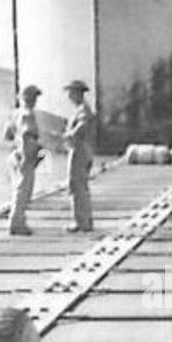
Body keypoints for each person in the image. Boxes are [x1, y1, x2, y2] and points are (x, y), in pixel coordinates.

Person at [2, 84, 43, 235]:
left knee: (16, 189)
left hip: (14, 156)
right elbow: (27, 135)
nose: (35, 100)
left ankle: (18, 220)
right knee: (24, 191)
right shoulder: (28, 114)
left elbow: (7, 135)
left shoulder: (14, 114)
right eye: (34, 97)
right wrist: (27, 156)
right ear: (30, 98)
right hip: (26, 155)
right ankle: (17, 224)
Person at [62, 79, 95, 232]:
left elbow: (82, 125)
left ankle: (81, 222)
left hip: (79, 151)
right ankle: (85, 220)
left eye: (70, 92)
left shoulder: (83, 110)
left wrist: (70, 135)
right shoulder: (82, 109)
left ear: (77, 93)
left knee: (76, 185)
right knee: (81, 186)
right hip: (82, 150)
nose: (68, 96)